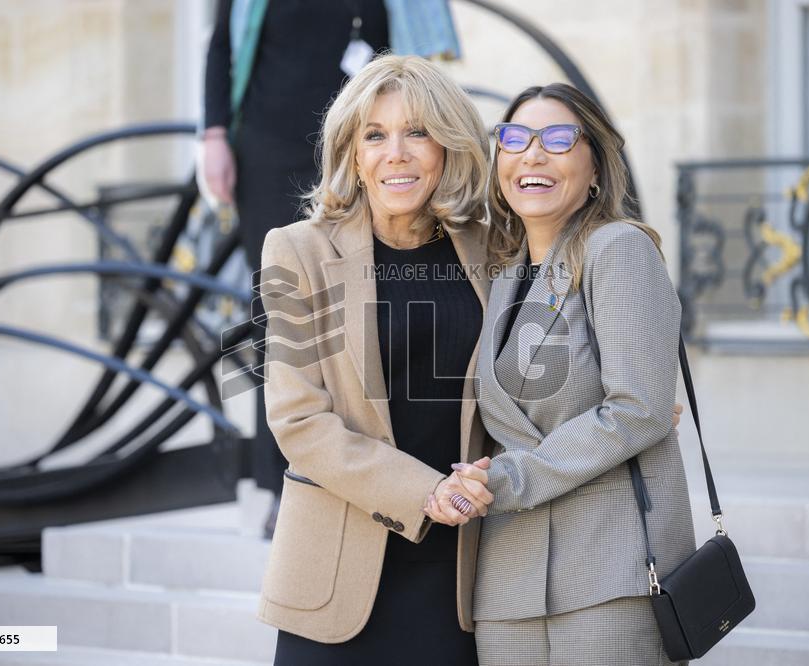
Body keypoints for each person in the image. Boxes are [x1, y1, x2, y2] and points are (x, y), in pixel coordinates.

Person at [257, 55, 493, 665]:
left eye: (418, 132)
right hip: (336, 569)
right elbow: (298, 420)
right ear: (352, 154)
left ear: (448, 146)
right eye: (375, 135)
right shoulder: (296, 251)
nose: (397, 154)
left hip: (460, 573)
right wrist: (425, 491)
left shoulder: (495, 248)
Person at [452, 83, 696, 666]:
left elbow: (638, 410)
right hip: (508, 581)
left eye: (558, 139)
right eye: (515, 138)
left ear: (595, 168)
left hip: (611, 567)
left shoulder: (618, 248)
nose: (533, 154)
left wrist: (506, 479)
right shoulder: (503, 273)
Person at [200, 0, 389, 534]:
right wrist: (213, 135)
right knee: (280, 319)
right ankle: (283, 483)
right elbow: (221, 46)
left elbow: (395, 57)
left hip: (354, 152)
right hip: (267, 151)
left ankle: (365, 468)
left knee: (359, 307)